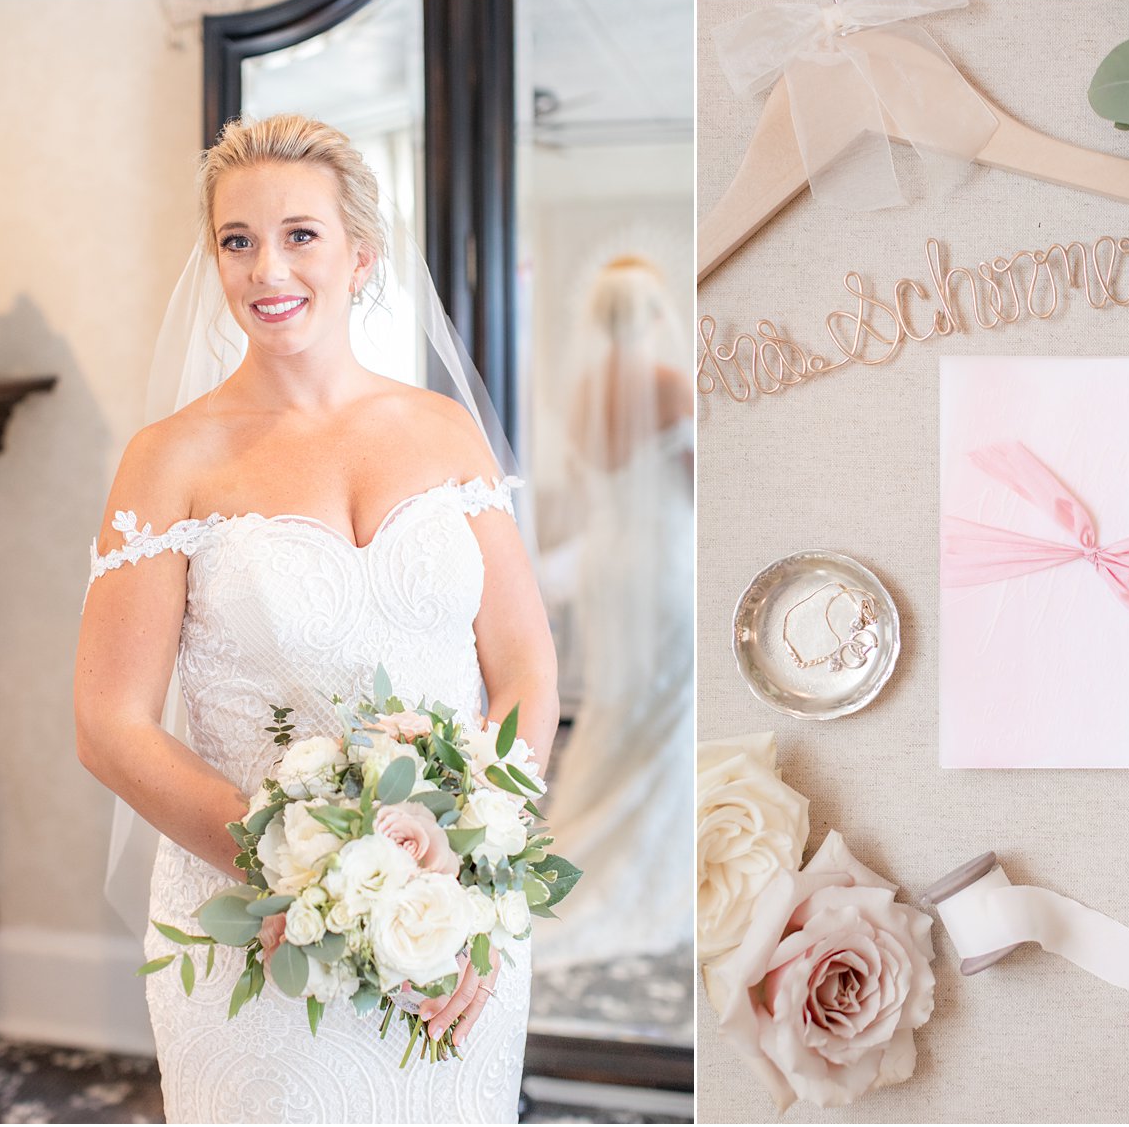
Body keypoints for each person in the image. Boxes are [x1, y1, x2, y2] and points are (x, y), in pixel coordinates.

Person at [73, 114, 557, 1124]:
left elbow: (522, 673)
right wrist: (329, 881)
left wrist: (455, 866)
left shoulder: (442, 430)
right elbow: (109, 724)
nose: (265, 267)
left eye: (299, 234)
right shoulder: (170, 460)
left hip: (449, 905)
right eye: (237, 240)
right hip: (256, 920)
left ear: (360, 254)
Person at [534, 256, 695, 971]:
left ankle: (580, 837)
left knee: (614, 702)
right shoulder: (668, 384)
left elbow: (585, 481)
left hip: (607, 563)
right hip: (660, 564)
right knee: (669, 705)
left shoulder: (581, 393)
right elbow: (697, 489)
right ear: (657, 314)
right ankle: (646, 859)